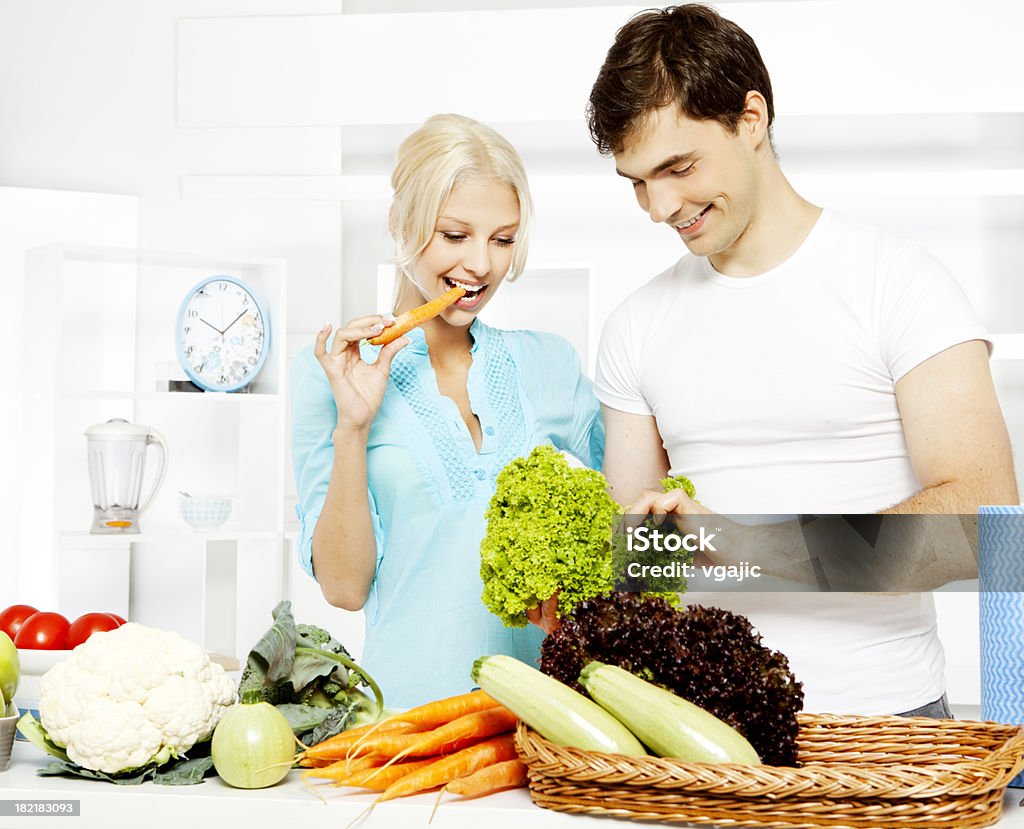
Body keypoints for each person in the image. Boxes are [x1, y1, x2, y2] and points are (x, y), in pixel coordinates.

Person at [585, 5, 1019, 716]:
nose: (659, 206)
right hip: (704, 735)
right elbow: (638, 556)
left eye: (677, 166)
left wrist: (746, 546)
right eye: (637, 181)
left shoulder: (899, 283)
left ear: (750, 119)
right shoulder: (636, 325)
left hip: (884, 726)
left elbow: (979, 519)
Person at [290, 114, 604, 708]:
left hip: (549, 733)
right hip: (411, 728)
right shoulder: (328, 375)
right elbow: (343, 587)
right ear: (400, 224)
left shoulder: (550, 364)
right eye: (455, 235)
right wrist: (353, 429)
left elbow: (640, 515)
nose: (481, 265)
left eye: (503, 239)